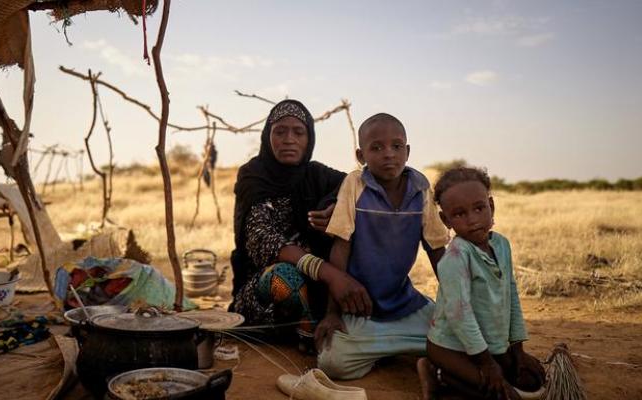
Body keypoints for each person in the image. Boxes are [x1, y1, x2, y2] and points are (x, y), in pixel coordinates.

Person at [315, 113, 449, 379]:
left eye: (397, 146)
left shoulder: (421, 188)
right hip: (360, 307)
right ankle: (405, 347)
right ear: (361, 155)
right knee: (332, 363)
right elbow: (341, 247)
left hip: (405, 303)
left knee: (458, 335)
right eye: (376, 147)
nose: (389, 154)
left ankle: (382, 347)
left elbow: (436, 251)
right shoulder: (355, 184)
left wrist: (455, 305)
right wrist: (332, 313)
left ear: (407, 151)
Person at [229, 99, 371, 342]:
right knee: (285, 278)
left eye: (298, 132)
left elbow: (363, 186)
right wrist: (330, 274)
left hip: (319, 287)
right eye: (280, 131)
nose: (289, 139)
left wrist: (338, 209)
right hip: (265, 290)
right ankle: (306, 334)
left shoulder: (319, 175)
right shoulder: (253, 176)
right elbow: (263, 240)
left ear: (309, 139)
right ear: (267, 136)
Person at [417, 167, 546, 400]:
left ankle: (458, 377)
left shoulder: (502, 245)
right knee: (504, 395)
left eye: (479, 208)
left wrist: (518, 351)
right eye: (459, 214)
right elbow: (460, 315)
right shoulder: (455, 258)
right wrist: (486, 364)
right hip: (449, 347)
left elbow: (511, 294)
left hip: (489, 344)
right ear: (446, 220)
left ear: (491, 206)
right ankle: (436, 373)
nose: (473, 220)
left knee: (531, 378)